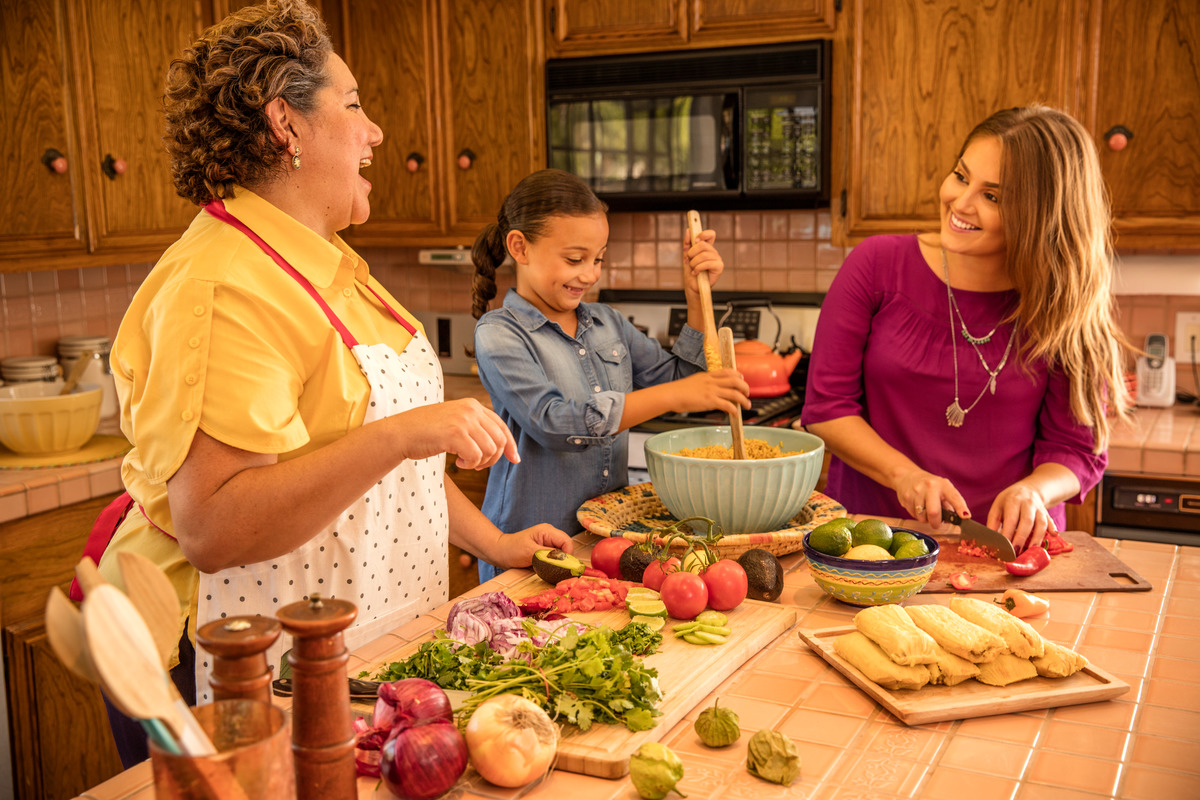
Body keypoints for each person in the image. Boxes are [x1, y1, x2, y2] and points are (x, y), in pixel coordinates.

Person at [77, 0, 573, 767]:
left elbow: (378, 474)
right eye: (353, 104)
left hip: (343, 649)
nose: (374, 131)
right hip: (227, 664)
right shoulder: (224, 284)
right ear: (287, 123)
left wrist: (496, 541)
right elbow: (214, 526)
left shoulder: (333, 266)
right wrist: (408, 432)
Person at [801, 105, 1132, 552]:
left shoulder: (1064, 303)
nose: (960, 203)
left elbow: (1075, 449)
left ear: (1040, 215)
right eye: (961, 176)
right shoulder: (876, 266)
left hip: (1009, 550)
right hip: (875, 543)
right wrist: (906, 477)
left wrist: (1035, 491)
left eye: (992, 196)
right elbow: (827, 407)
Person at [469, 169, 751, 582]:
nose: (590, 273)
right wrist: (678, 395)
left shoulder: (607, 323)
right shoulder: (499, 332)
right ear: (520, 247)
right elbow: (555, 422)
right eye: (574, 259)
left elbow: (679, 376)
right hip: (529, 551)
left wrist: (694, 298)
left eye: (598, 258)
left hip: (604, 541)